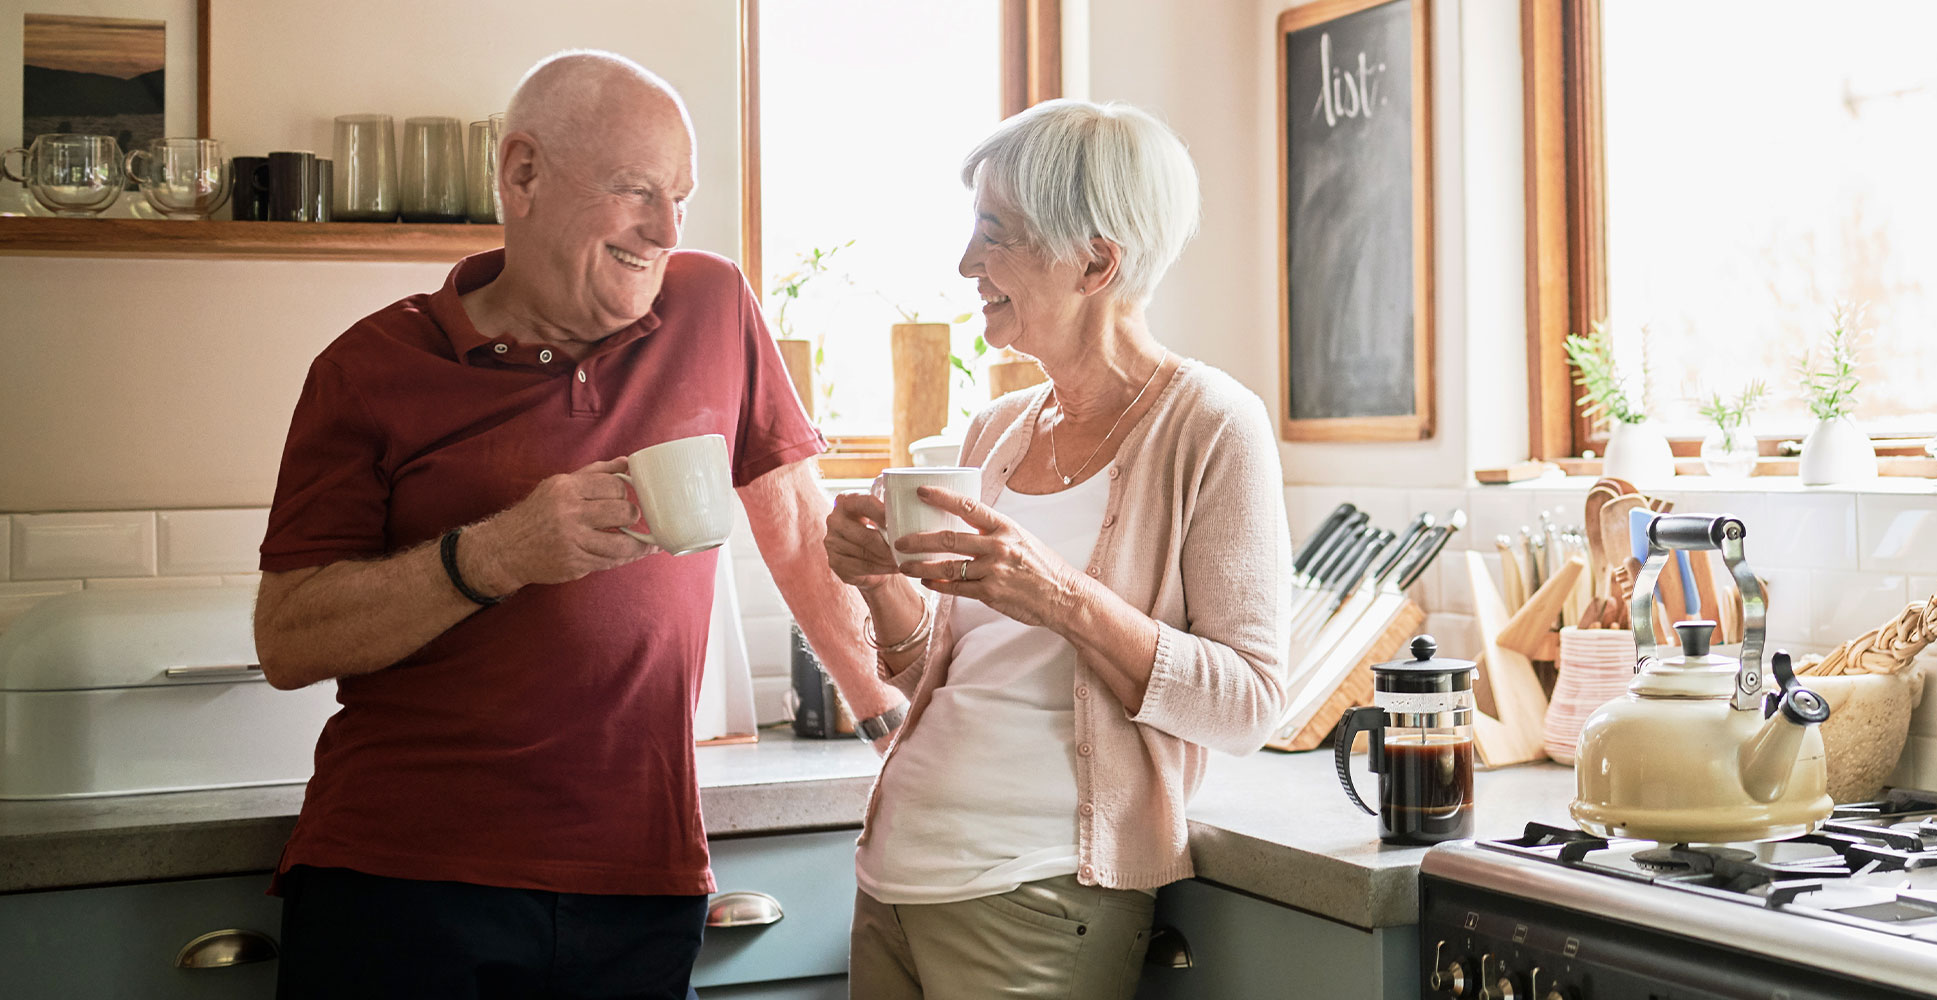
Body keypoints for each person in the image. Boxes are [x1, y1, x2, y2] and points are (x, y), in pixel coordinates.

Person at [251, 51, 897, 1000]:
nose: (667, 229)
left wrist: (893, 723)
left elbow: (799, 533)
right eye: (637, 191)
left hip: (641, 881)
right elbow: (288, 637)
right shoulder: (367, 368)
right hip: (402, 879)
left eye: (682, 196)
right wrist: (499, 552)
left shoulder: (712, 307)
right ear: (522, 176)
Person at [824, 99, 1287, 1000]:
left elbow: (1250, 703)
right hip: (894, 880)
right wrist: (882, 587)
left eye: (993, 235)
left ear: (1097, 261)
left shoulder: (1211, 426)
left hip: (1035, 895)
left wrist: (1063, 598)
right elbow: (939, 677)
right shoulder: (995, 431)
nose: (966, 265)